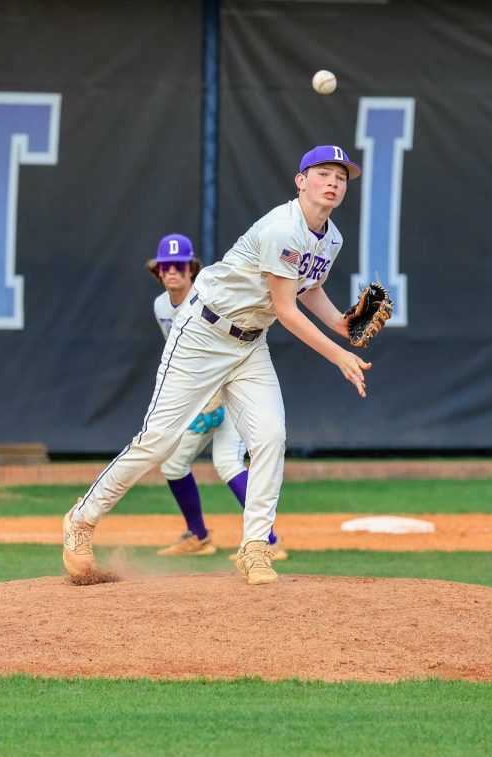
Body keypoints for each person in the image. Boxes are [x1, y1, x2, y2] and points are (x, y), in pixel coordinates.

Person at [64, 145, 369, 586]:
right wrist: (339, 354)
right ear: (300, 181)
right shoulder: (282, 228)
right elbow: (285, 308)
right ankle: (81, 520)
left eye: (341, 176)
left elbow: (309, 288)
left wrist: (343, 325)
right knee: (158, 442)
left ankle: (255, 547)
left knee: (270, 436)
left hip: (249, 344)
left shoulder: (332, 237)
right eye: (323, 173)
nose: (334, 182)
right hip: (204, 335)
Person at [143, 233, 287, 560]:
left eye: (179, 265)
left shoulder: (206, 298)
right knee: (173, 463)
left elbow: (232, 348)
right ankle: (198, 535)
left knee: (226, 461)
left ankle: (268, 540)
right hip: (202, 392)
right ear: (158, 270)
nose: (172, 272)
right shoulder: (161, 306)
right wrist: (199, 397)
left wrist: (219, 394)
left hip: (233, 387)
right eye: (166, 266)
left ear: (192, 268)